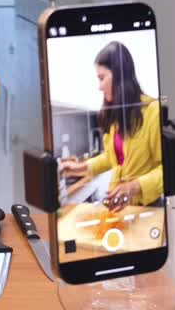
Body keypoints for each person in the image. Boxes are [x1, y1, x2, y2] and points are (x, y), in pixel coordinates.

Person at [60, 41, 163, 210]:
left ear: (119, 75)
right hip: (118, 205)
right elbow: (112, 157)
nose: (99, 86)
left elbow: (166, 169)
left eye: (102, 78)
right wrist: (79, 167)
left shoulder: (153, 111)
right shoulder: (118, 115)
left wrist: (134, 186)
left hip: (146, 207)